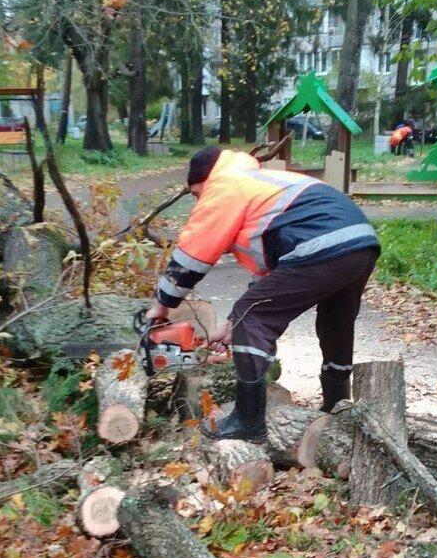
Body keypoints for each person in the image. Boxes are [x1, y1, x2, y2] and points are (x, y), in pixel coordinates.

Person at [145, 145, 380, 443]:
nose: (197, 202)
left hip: (323, 243)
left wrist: (163, 304)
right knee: (335, 322)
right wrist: (232, 323)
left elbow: (194, 253)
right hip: (360, 241)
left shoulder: (225, 184)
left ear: (205, 181)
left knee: (254, 318)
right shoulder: (258, 186)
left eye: (195, 194)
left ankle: (248, 421)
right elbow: (272, 283)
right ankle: (338, 407)